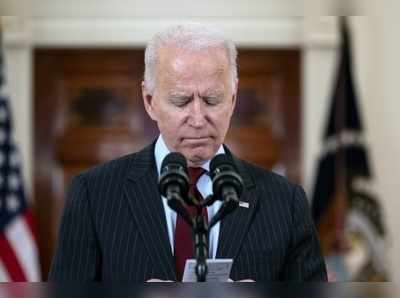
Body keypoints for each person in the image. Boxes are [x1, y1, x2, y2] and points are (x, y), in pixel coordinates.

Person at [48, 24, 327, 282]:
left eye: (212, 100)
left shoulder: (286, 202)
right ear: (149, 101)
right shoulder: (94, 194)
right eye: (181, 101)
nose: (197, 118)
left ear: (232, 99)